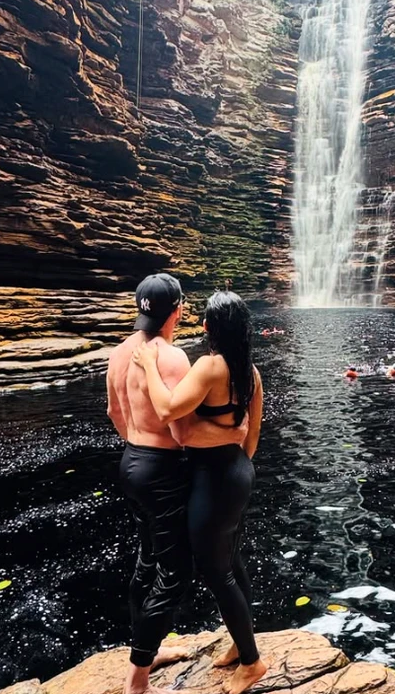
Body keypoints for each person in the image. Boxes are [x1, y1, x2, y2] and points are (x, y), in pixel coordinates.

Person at [107, 274, 244, 694]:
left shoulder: (119, 352)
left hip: (131, 462)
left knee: (147, 559)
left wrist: (138, 448)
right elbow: (182, 430)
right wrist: (230, 431)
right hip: (162, 470)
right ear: (179, 310)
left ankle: (148, 647)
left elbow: (114, 411)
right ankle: (138, 680)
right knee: (176, 573)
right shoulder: (172, 357)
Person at [133, 291, 267, 694]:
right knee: (232, 561)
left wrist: (149, 365)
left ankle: (252, 662)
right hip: (239, 471)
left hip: (215, 478)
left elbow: (167, 409)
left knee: (215, 570)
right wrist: (231, 453)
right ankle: (239, 643)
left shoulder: (210, 366)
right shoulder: (251, 372)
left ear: (208, 327)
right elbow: (253, 433)